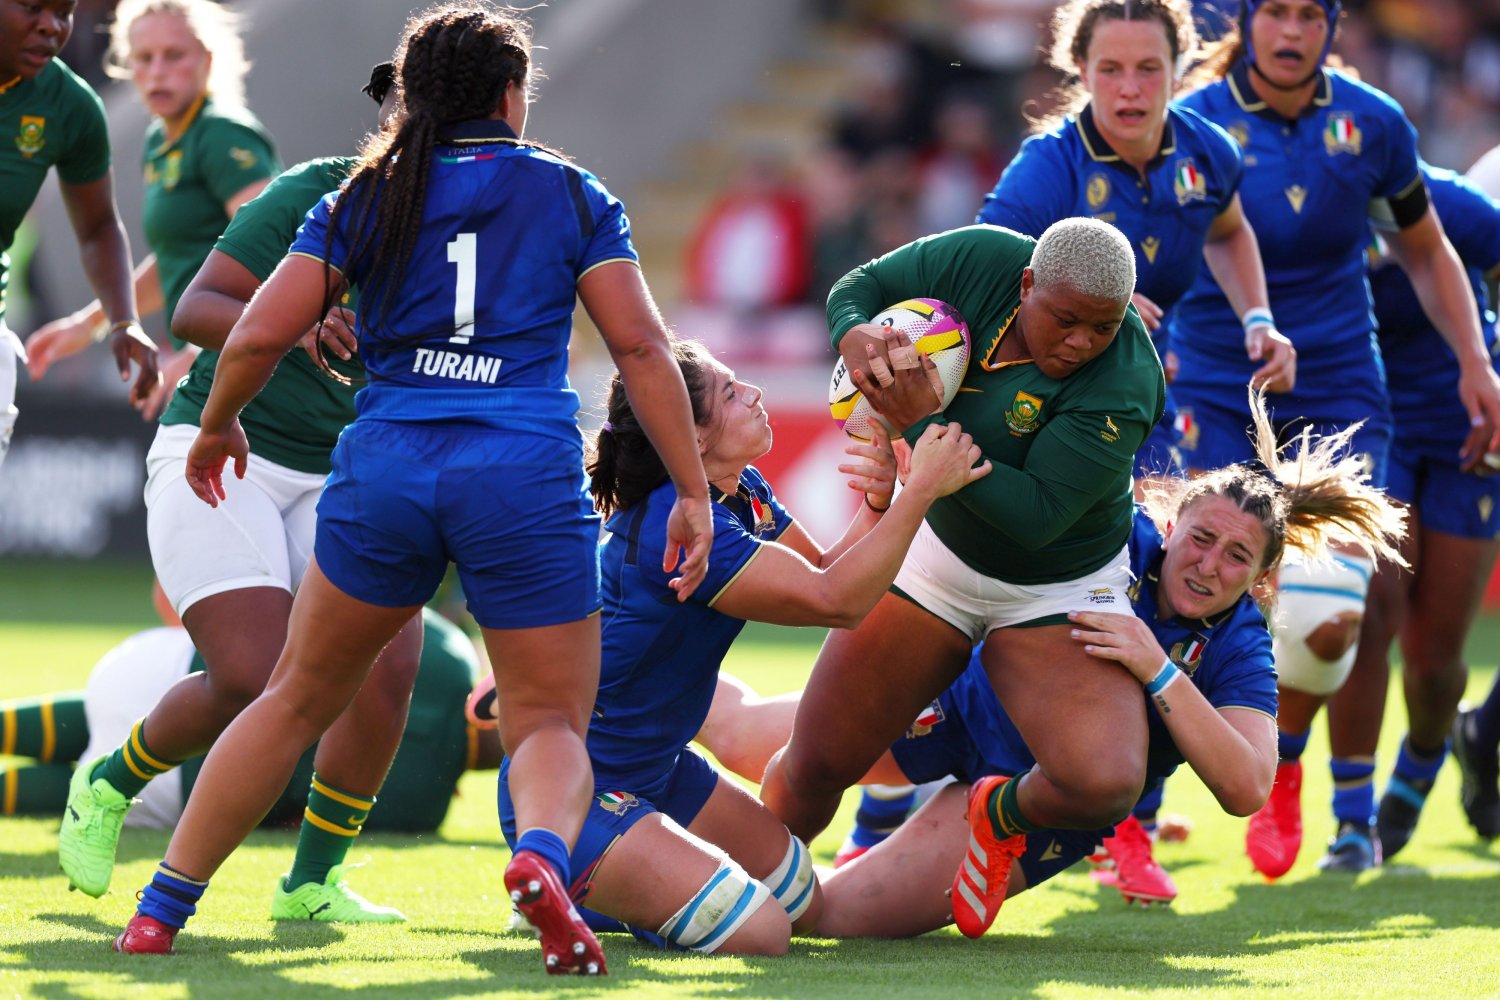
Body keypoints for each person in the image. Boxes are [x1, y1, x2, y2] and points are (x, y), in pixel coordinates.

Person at [112, 5, 712, 978]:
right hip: (520, 475)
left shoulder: (367, 192)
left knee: (294, 698)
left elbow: (257, 332)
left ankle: (159, 910)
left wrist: (217, 424)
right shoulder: (569, 193)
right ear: (512, 95)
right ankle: (540, 857)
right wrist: (690, 487)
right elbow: (642, 348)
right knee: (548, 721)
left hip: (388, 469)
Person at [710, 389, 1404, 933]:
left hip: (1045, 811)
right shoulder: (1114, 538)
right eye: (1201, 539)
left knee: (832, 919)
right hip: (959, 705)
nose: (1207, 565)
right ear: (1171, 526)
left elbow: (1248, 785)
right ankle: (647, 728)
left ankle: (996, 812)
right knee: (741, 736)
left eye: (1237, 557)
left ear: (1262, 578)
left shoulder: (1241, 643)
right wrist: (897, 471)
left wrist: (1155, 667)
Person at [57, 61, 422, 927]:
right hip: (223, 450)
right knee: (252, 677)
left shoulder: (479, 219)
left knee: (390, 665)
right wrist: (295, 321)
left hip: (344, 471)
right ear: (402, 118)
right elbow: (196, 307)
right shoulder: (318, 190)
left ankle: (311, 884)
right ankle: (109, 782)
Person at [491, 339, 987, 956]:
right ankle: (582, 885)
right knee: (763, 932)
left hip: (660, 771)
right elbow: (836, 601)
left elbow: (825, 569)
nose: (754, 393)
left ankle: (622, 882)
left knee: (801, 901)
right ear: (692, 436)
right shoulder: (679, 524)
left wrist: (880, 502)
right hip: (583, 790)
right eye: (730, 392)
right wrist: (920, 494)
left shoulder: (739, 489)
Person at [760, 216, 1165, 941]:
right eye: (1066, 320)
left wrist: (917, 425)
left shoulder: (1129, 376)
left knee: (1104, 781)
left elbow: (1036, 517)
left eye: (1102, 328)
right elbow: (859, 287)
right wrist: (855, 335)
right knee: (814, 766)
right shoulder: (982, 256)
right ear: (1027, 284)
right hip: (937, 554)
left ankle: (998, 813)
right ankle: (731, 890)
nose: (1082, 342)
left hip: (1061, 584)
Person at [1165, 0, 1500, 876]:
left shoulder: (1374, 127)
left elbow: (1431, 250)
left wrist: (1479, 361)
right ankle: (1130, 812)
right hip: (1216, 383)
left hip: (1348, 391)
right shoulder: (1189, 119)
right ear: (1247, 19)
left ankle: (1317, 791)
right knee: (1184, 596)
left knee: (1333, 616)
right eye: (1274, 11)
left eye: (1310, 14)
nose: (1291, 31)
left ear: (1334, 24)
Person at [978, 0, 1293, 482]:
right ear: (1082, 70)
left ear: (1177, 68)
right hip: (1048, 404)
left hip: (1147, 396)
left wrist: (1258, 319)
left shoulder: (1209, 152)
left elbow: (1228, 231)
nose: (1130, 88)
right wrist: (1101, 308)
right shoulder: (1047, 169)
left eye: (1148, 68)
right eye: (1111, 69)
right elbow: (982, 272)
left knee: (1176, 523)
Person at [1324, 164, 1500, 861]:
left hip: (1465, 428)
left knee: (1434, 662)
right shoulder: (1302, 212)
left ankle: (1422, 766)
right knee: (1368, 610)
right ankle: (1351, 820)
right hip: (1368, 424)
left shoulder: (1448, 202)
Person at [5, 605, 496, 833]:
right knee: (79, 782)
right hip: (190, 788)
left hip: (185, 678)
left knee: (99, 712)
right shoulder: (423, 809)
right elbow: (296, 819)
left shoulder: (449, 652)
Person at [27, 0, 278, 421]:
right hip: (216, 367)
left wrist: (202, 349)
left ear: (206, 60)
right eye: (144, 58)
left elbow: (275, 246)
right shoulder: (161, 140)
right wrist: (91, 323)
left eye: (173, 55)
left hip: (250, 371)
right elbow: (175, 261)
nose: (157, 71)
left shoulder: (222, 132)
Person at [0, 0, 158, 466]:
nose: (51, 26)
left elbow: (98, 226)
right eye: (34, 8)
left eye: (63, 12)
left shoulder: (70, 104)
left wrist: (123, 320)